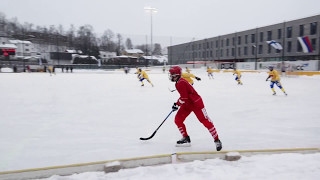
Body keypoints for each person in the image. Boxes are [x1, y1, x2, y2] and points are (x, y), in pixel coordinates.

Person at [169, 66, 222, 151]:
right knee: (178, 120)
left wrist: (177, 104)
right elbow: (184, 98)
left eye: (172, 74)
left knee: (205, 121)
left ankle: (217, 140)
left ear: (177, 75)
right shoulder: (178, 82)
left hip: (196, 103)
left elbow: (184, 97)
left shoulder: (180, 82)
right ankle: (185, 138)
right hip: (187, 104)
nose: (171, 76)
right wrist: (177, 104)